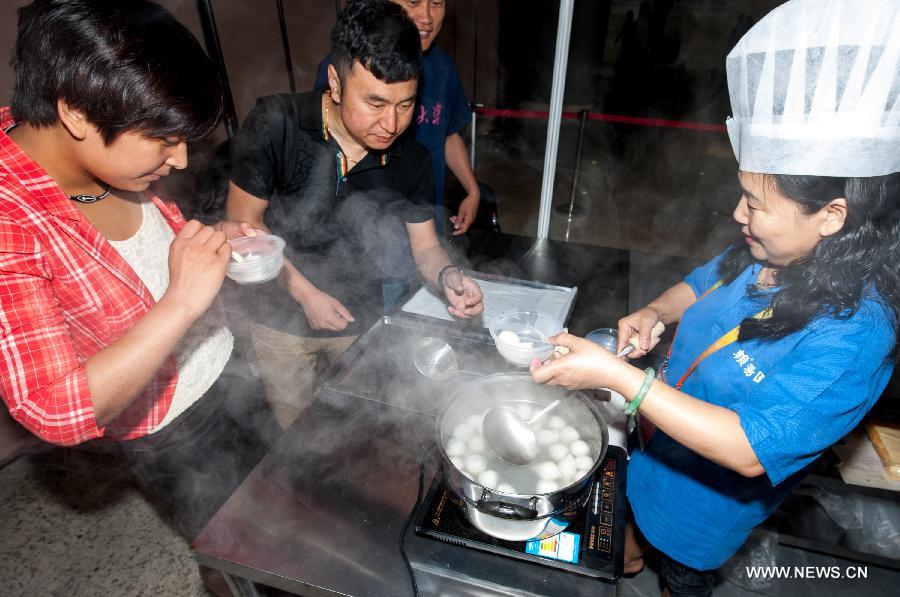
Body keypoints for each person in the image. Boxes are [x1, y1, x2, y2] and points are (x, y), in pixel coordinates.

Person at [530, 1, 899, 595]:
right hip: (652, 453)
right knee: (620, 538)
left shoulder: (857, 335)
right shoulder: (770, 251)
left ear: (832, 216)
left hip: (700, 516)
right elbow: (703, 282)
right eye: (742, 196)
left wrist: (625, 381)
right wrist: (654, 312)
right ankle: (625, 560)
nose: (738, 216)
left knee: (680, 578)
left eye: (756, 206)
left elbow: (750, 449)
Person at [0, 0, 279, 545]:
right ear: (76, 112)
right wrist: (181, 301)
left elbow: (143, 247)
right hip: (175, 428)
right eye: (165, 139)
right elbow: (54, 408)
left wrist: (208, 239)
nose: (178, 161)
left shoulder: (96, 153)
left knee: (286, 496)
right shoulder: (11, 223)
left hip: (225, 364)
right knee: (246, 547)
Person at [227, 0, 484, 429]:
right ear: (335, 81)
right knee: (299, 434)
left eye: (405, 105)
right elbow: (241, 226)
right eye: (376, 103)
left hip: (359, 317)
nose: (391, 123)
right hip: (279, 321)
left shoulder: (412, 157)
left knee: (353, 433)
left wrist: (448, 277)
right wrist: (305, 293)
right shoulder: (276, 123)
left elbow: (425, 247)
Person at [316, 0, 480, 235]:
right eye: (413, 2)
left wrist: (472, 190)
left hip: (426, 212)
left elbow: (447, 134)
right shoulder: (351, 68)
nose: (426, 16)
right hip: (368, 226)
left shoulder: (444, 67)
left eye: (436, 3)